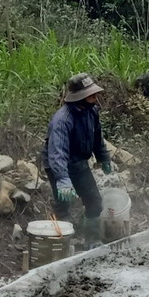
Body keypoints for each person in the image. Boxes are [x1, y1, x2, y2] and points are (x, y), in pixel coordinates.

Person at [44, 73, 114, 246]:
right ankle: (61, 243)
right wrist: (62, 179)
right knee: (63, 203)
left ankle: (91, 239)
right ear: (80, 96)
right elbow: (57, 152)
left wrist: (104, 158)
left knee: (95, 201)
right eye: (91, 94)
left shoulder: (92, 112)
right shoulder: (62, 120)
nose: (95, 97)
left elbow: (97, 138)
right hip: (58, 165)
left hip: (79, 163)